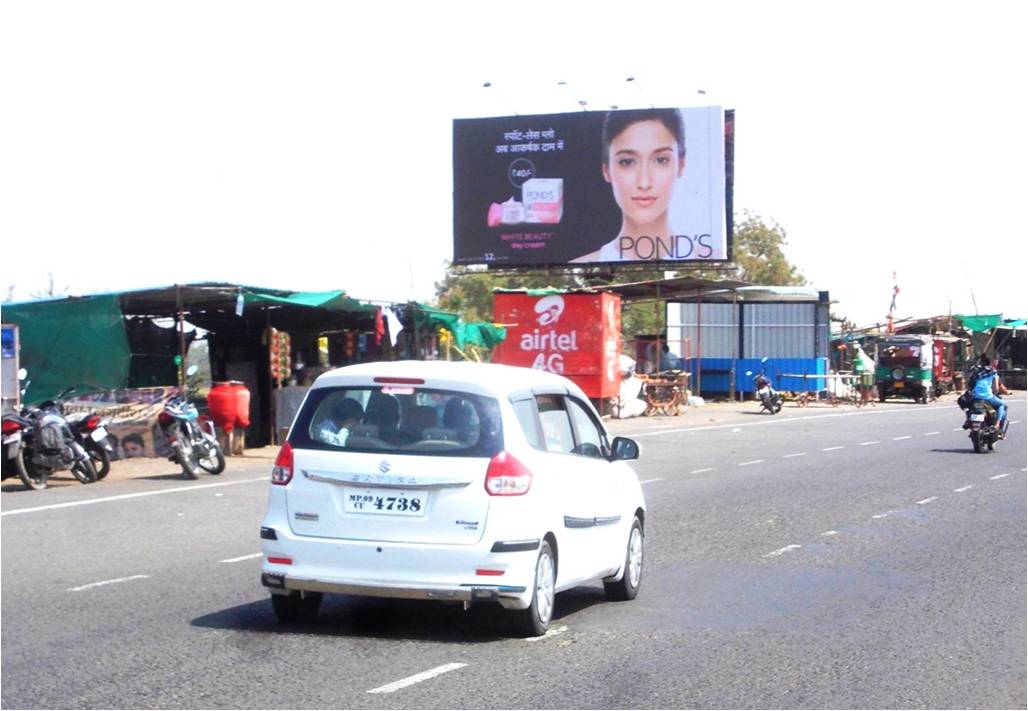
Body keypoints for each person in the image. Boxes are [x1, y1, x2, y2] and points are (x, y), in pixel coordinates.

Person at [572, 108, 686, 263]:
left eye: (661, 160)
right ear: (606, 170)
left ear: (681, 165)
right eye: (627, 162)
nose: (644, 183)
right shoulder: (581, 264)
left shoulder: (711, 255)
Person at [965, 354, 1010, 437]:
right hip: (988, 397)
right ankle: (997, 425)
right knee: (1002, 405)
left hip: (975, 397)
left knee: (968, 407)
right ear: (991, 362)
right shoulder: (993, 371)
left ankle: (968, 420)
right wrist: (994, 392)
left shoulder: (975, 370)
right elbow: (996, 388)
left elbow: (968, 384)